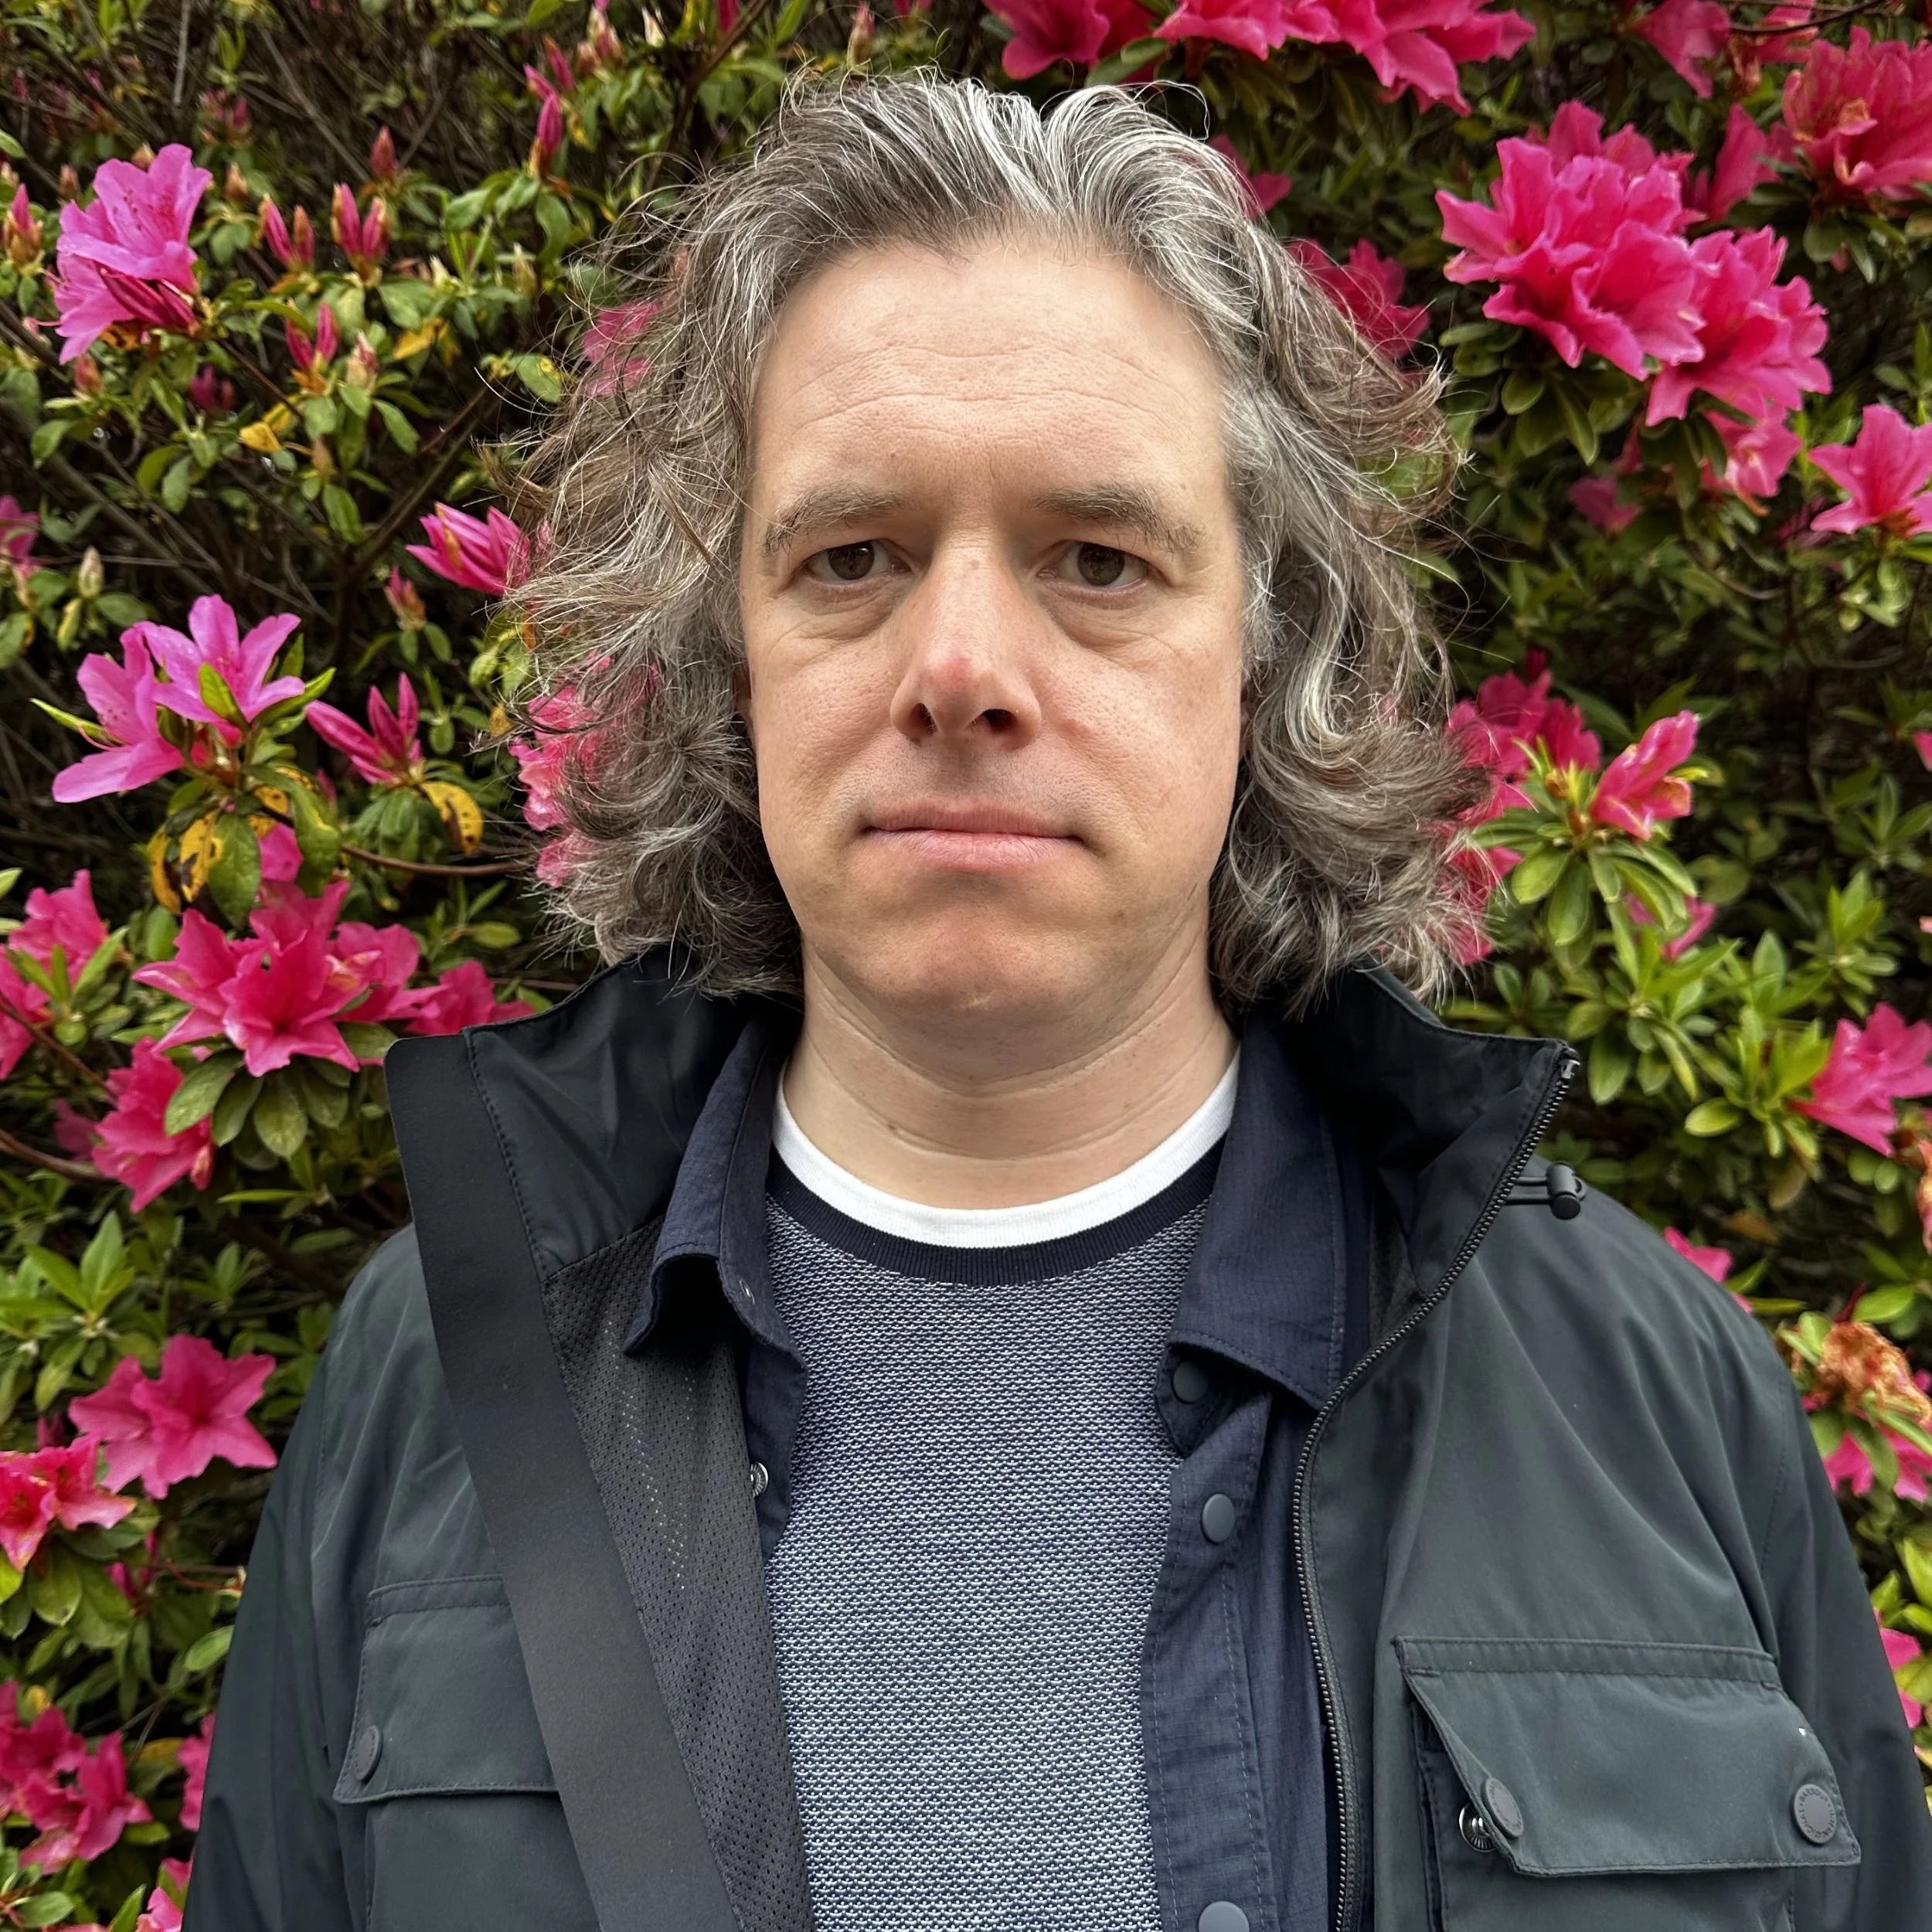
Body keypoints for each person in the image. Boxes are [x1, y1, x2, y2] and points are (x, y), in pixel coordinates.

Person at [186, 68, 1930, 1932]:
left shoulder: (1640, 1383)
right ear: (734, 667)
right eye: (848, 558)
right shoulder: (443, 1369)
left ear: (1264, 658)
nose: (958, 667)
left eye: (1096, 561)